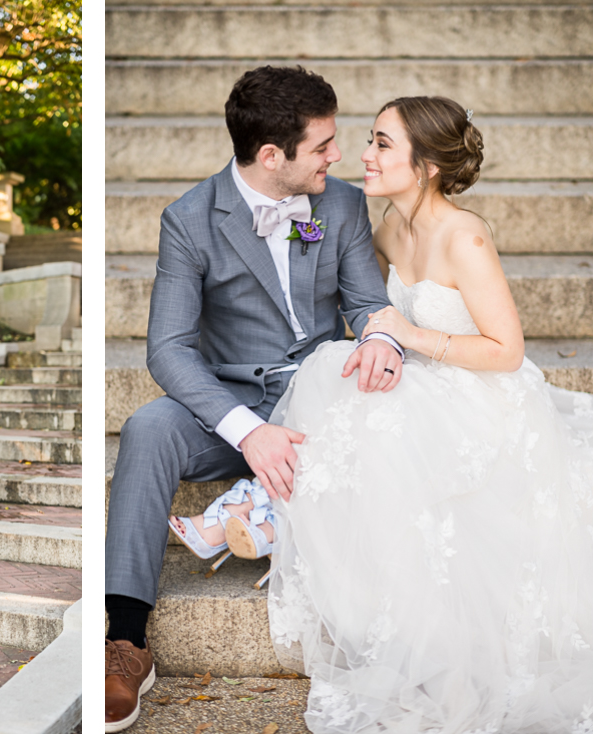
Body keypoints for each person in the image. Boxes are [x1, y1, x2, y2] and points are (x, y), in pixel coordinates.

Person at [181, 97, 593, 732]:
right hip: (422, 382)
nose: (360, 156)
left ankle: (260, 509)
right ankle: (262, 506)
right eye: (367, 140)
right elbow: (356, 298)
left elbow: (506, 352)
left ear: (425, 166)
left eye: (380, 144)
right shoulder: (387, 229)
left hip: (483, 397)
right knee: (336, 371)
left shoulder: (466, 236)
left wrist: (409, 337)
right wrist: (373, 334)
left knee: (376, 413)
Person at [104, 65, 406, 732]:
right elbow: (169, 349)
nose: (339, 155)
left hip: (326, 391)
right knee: (148, 428)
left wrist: (384, 338)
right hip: (234, 398)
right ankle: (125, 638)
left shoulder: (342, 204)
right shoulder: (188, 220)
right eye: (323, 145)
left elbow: (367, 303)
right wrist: (247, 430)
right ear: (273, 156)